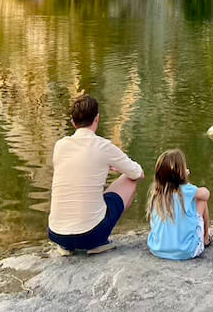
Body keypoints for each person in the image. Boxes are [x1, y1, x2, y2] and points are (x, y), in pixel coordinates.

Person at [47, 94, 144, 255]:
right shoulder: (102, 146)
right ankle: (98, 242)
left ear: (73, 122)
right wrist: (119, 169)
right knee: (130, 180)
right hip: (90, 235)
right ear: (97, 119)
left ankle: (67, 247)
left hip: (56, 234)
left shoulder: (60, 146)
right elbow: (138, 172)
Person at [146, 148, 212, 260]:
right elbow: (206, 194)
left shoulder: (156, 192)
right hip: (187, 251)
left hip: (157, 249)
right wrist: (186, 181)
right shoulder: (187, 189)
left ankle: (166, 242)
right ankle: (206, 238)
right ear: (182, 172)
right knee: (201, 199)